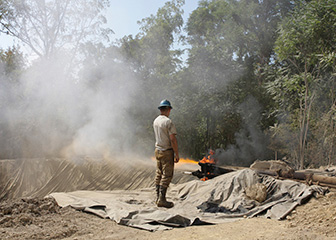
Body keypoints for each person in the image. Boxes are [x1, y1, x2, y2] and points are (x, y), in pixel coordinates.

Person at [153, 99, 179, 208]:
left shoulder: (156, 120)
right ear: (168, 109)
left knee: (159, 173)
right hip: (166, 151)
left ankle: (158, 197)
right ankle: (162, 200)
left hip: (157, 150)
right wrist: (176, 154)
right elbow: (172, 139)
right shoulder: (168, 122)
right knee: (167, 175)